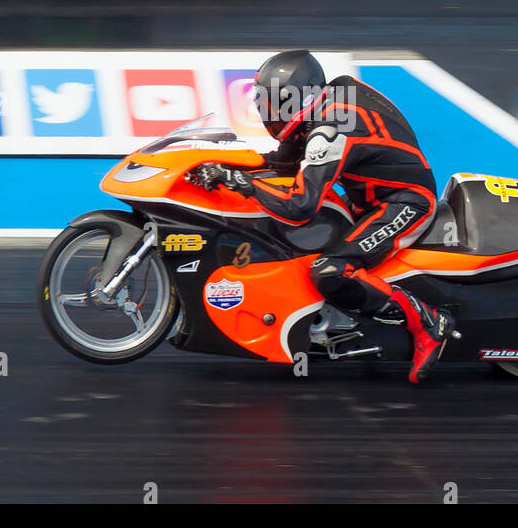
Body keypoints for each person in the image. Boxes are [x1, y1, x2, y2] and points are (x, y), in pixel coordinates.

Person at [190, 50, 458, 384]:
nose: (266, 111)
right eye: (262, 101)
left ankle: (427, 323)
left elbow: (299, 205)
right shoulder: (321, 106)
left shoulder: (331, 129)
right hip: (368, 198)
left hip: (405, 202)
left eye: (273, 103)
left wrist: (238, 182)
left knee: (331, 270)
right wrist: (217, 164)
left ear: (298, 97)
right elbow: (280, 162)